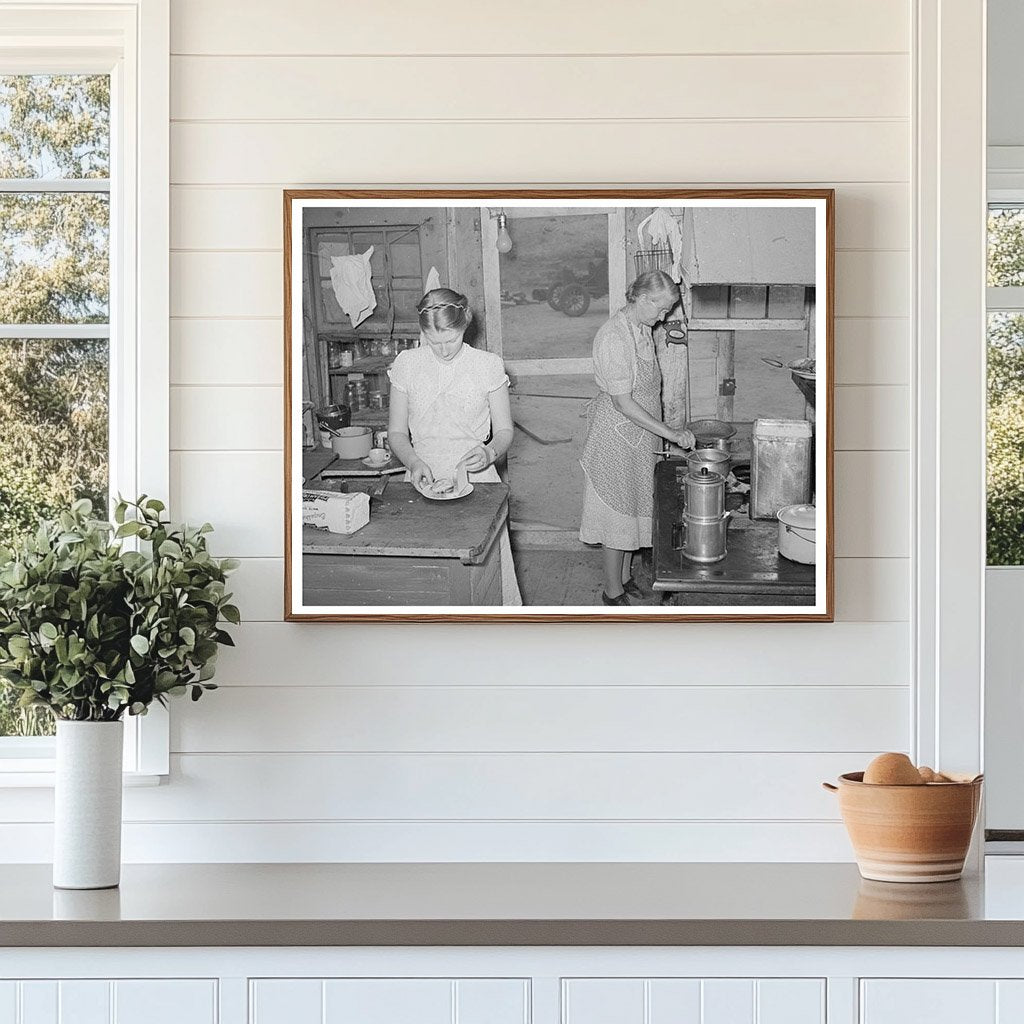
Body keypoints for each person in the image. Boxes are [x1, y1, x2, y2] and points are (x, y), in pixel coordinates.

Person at [388, 287, 522, 605]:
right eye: (434, 342)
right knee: (428, 579)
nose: (444, 350)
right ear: (422, 332)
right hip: (423, 477)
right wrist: (414, 463)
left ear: (466, 324)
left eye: (451, 339)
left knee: (484, 579)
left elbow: (505, 430)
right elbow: (396, 433)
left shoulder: (487, 364)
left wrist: (490, 451)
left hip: (477, 477)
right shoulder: (407, 363)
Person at [579, 270, 695, 605]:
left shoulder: (642, 328)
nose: (663, 317)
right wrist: (671, 433)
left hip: (640, 437)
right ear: (641, 299)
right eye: (660, 309)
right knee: (617, 514)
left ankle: (626, 578)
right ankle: (611, 592)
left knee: (632, 508)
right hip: (616, 436)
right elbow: (623, 402)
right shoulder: (614, 337)